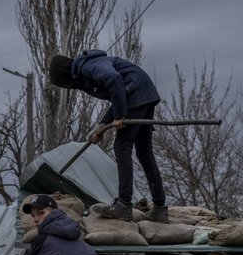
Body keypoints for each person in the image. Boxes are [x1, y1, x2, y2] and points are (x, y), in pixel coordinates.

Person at [49, 49, 168, 223]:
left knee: (122, 146)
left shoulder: (89, 66)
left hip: (136, 93)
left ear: (66, 76)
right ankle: (160, 208)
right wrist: (103, 125)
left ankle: (124, 204)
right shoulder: (87, 68)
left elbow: (114, 80)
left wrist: (119, 116)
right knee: (144, 153)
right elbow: (119, 93)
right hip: (143, 92)